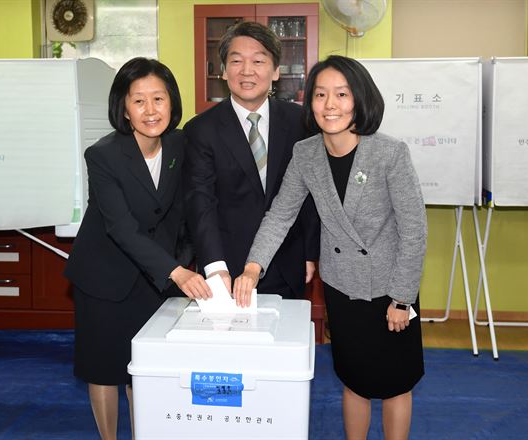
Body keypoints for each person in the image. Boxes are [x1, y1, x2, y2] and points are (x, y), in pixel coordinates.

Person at [234, 55, 427, 440]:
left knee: (395, 384)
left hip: (390, 290)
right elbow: (280, 214)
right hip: (341, 286)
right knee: (353, 379)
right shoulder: (306, 154)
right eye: (320, 94)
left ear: (359, 99)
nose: (330, 104)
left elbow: (414, 230)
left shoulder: (389, 153)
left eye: (341, 93)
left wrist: (402, 299)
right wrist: (253, 266)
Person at [64, 57, 211, 440]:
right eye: (139, 101)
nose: (151, 110)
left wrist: (183, 261)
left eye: (158, 99)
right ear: (124, 108)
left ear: (172, 103)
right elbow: (121, 228)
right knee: (105, 369)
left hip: (154, 278)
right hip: (105, 278)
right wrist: (176, 272)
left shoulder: (181, 144)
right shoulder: (104, 155)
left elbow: (184, 211)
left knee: (145, 367)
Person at [183, 21, 319, 298]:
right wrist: (214, 265)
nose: (247, 71)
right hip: (228, 268)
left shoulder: (300, 122)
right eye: (236, 61)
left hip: (287, 260)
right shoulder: (201, 129)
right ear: (223, 71)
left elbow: (310, 193)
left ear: (276, 71)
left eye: (258, 60)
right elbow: (200, 201)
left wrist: (309, 252)